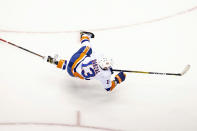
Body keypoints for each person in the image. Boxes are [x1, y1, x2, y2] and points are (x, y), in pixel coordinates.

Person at [46, 31, 126, 91]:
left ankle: (84, 36)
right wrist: (117, 80)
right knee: (71, 67)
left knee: (88, 48)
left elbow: (93, 57)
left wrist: (108, 70)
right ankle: (56, 62)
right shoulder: (106, 75)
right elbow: (108, 88)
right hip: (72, 72)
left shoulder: (97, 57)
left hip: (76, 59)